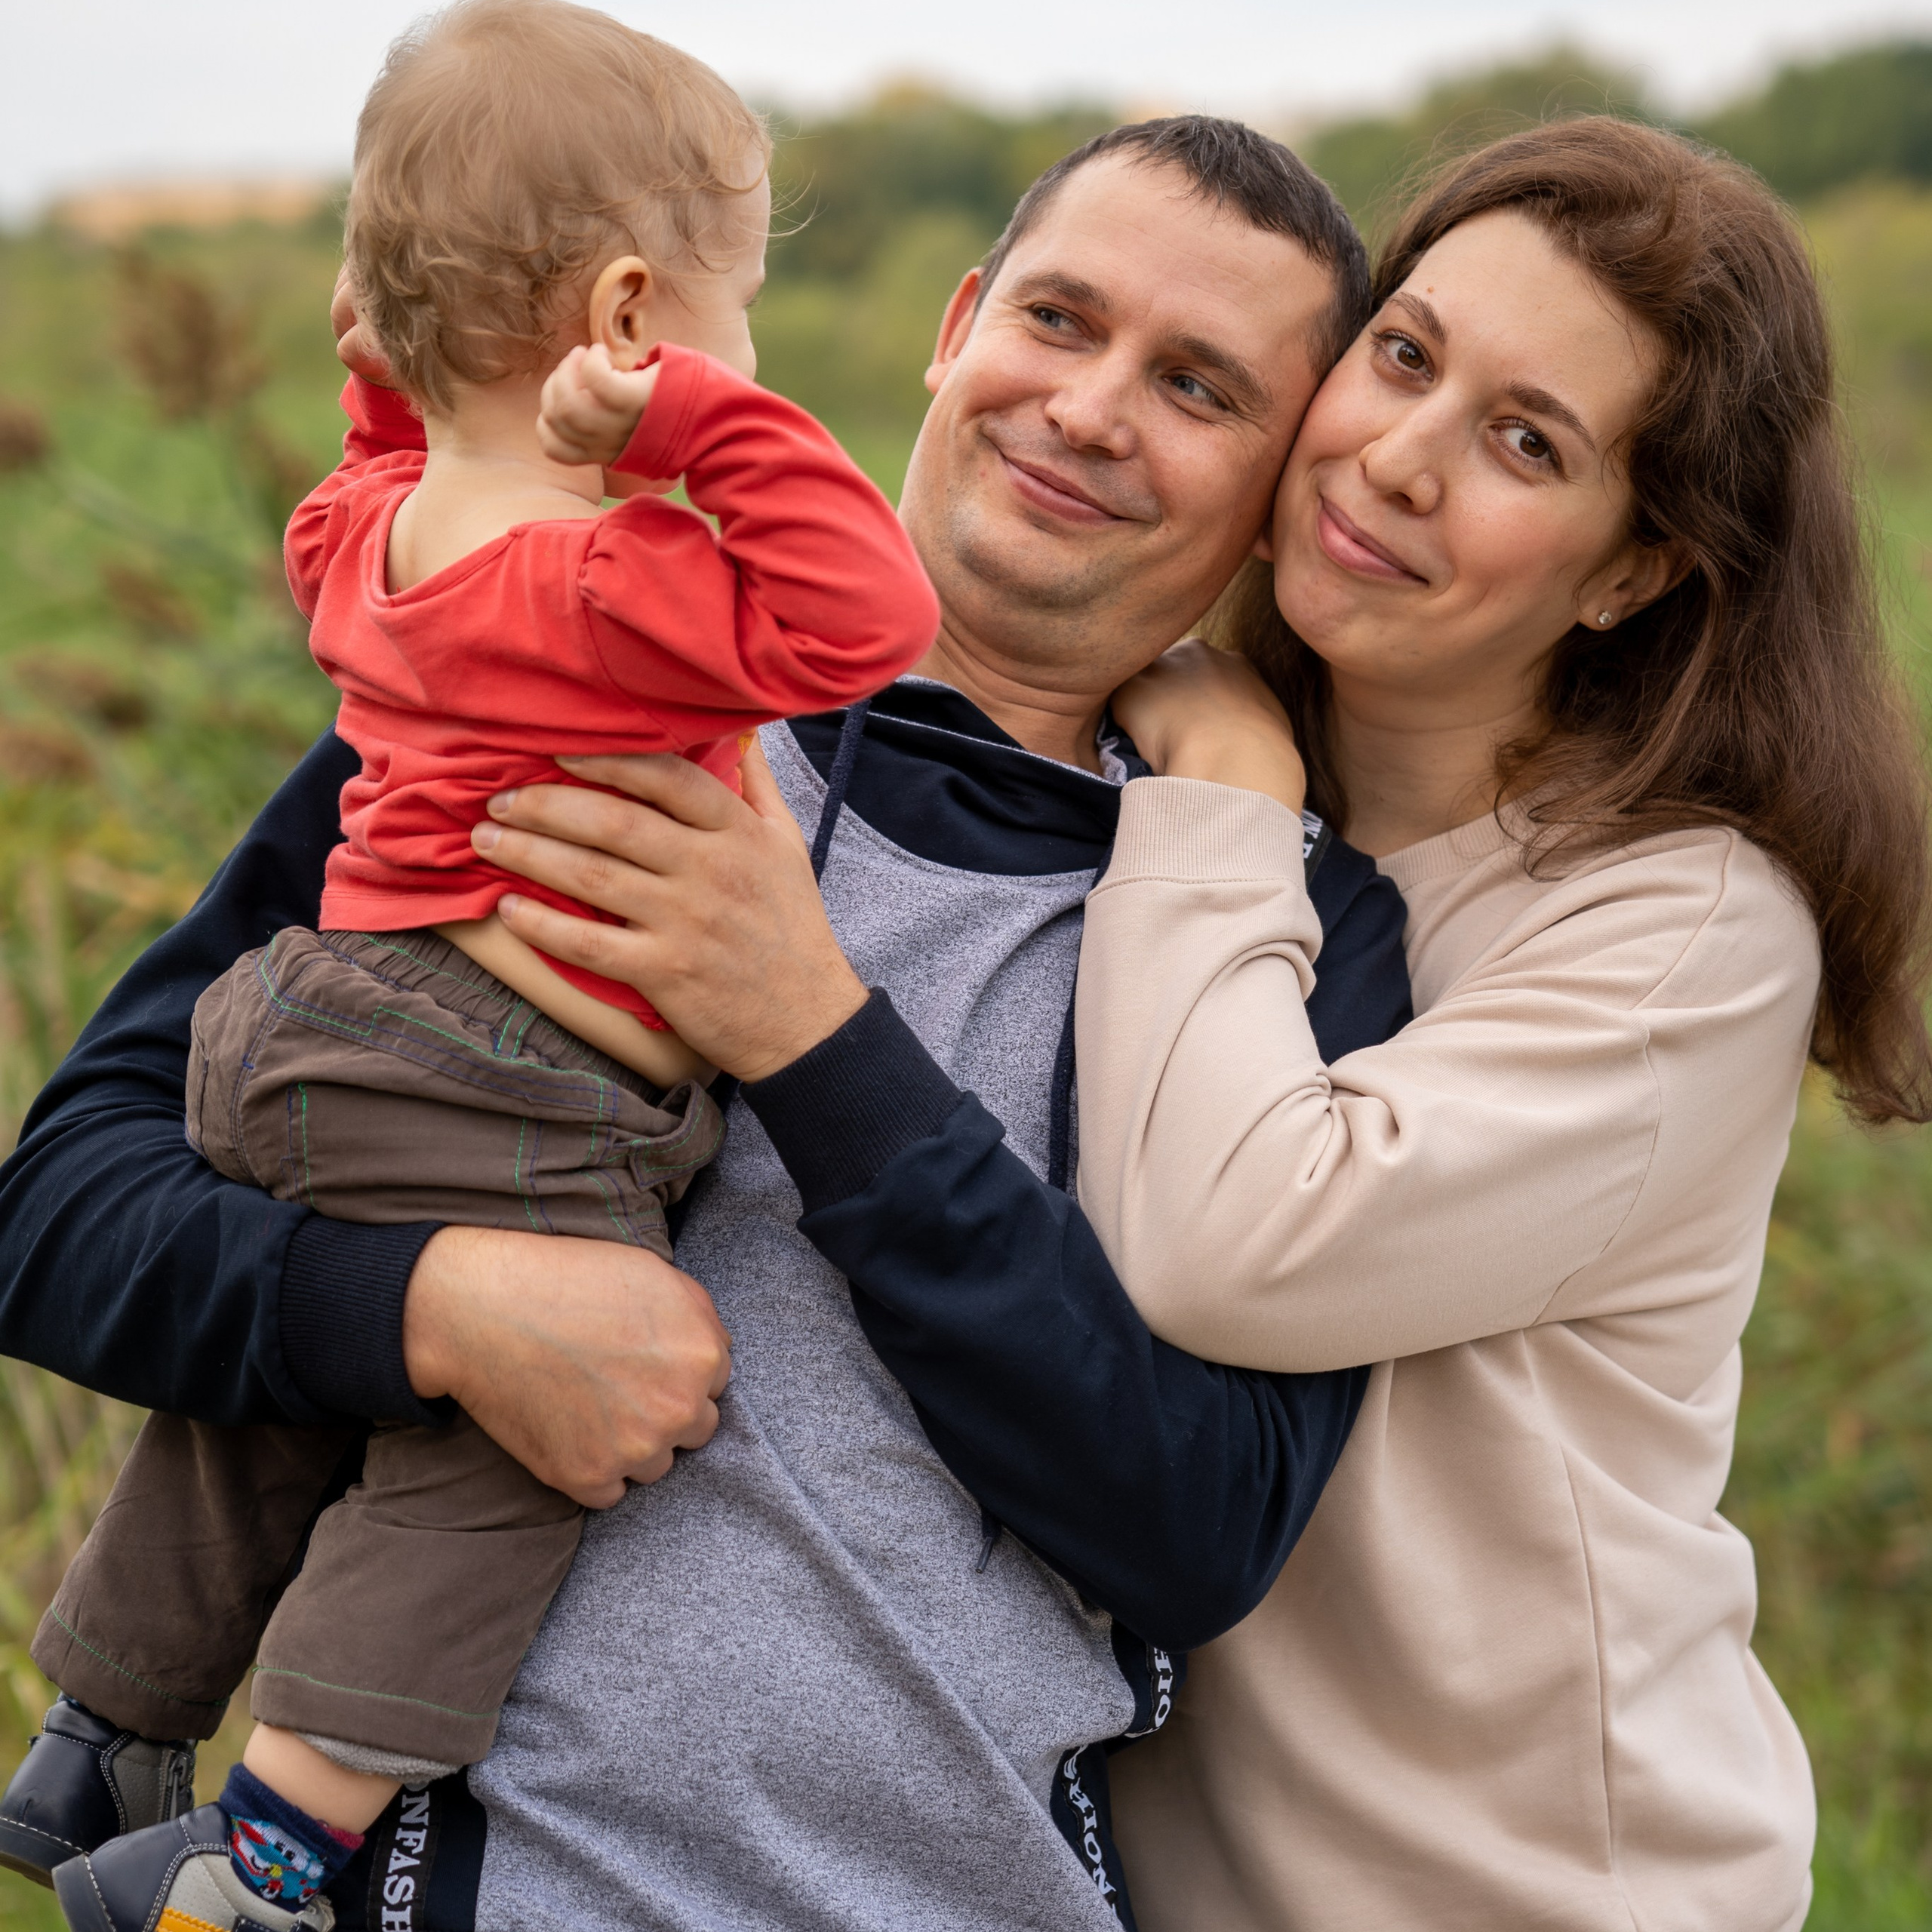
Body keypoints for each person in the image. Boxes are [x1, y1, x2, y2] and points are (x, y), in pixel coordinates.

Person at [0, 101, 1412, 1932]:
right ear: (957, 322)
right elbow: (59, 1213)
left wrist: (810, 1030)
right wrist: (437, 1309)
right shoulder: (554, 669)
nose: (1088, 406)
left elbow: (1196, 1523)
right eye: (1057, 322)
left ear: (1272, 484)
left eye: (1200, 386)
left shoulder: (1296, 927)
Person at [4, 8, 944, 1930]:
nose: (744, 351)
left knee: (271, 1406)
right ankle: (262, 1850)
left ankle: (100, 1724)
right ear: (626, 314)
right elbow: (864, 610)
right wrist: (685, 422)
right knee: (500, 1460)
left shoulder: (369, 536)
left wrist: (401, 374)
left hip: (297, 1026)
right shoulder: (612, 588)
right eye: (735, 312)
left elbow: (377, 442)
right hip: (498, 1077)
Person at [1062, 118, 1932, 1931]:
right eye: (1403, 356)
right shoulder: (1159, 798)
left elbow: (1234, 1236)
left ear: (1631, 570)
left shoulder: (1677, 926)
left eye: (1522, 441)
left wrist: (1219, 786)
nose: (1395, 458)